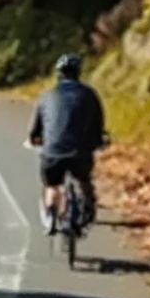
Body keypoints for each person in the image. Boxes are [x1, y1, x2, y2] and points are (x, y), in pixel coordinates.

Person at [29, 53, 107, 232]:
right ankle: (87, 205)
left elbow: (36, 128)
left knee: (52, 184)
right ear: (78, 73)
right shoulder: (89, 95)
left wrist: (35, 138)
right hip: (81, 152)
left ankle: (50, 213)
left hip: (53, 152)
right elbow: (98, 123)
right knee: (83, 178)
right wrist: (98, 140)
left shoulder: (47, 96)